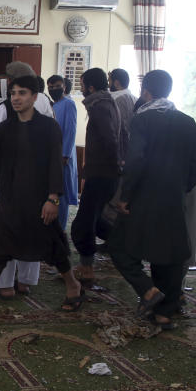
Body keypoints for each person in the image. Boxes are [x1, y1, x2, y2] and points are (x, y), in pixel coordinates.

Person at [0, 75, 84, 315]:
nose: (16, 98)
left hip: (39, 200)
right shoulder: (8, 126)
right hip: (11, 198)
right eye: (13, 94)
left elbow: (54, 164)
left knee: (53, 246)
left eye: (22, 93)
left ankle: (73, 286)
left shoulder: (49, 127)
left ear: (34, 97)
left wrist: (53, 198)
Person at [108, 70, 196, 329]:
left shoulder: (143, 119)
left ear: (146, 92)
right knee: (169, 251)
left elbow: (136, 160)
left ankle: (148, 291)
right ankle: (164, 313)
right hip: (173, 197)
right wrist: (182, 186)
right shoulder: (187, 121)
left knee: (118, 245)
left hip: (143, 196)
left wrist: (126, 196)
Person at [0, 61, 55, 297]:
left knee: (2, 228)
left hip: (9, 179)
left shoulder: (7, 106)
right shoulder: (44, 101)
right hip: (39, 180)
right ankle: (25, 281)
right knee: (33, 226)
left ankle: (4, 285)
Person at [71, 67, 121, 286]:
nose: (81, 90)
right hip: (106, 173)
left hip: (102, 173)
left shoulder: (100, 107)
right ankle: (127, 247)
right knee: (98, 221)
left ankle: (87, 267)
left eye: (82, 86)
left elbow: (110, 139)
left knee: (83, 223)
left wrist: (114, 163)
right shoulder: (106, 103)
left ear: (90, 87)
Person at [48, 75, 78, 231]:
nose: (54, 90)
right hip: (53, 156)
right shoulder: (52, 105)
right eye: (50, 87)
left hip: (64, 157)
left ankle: (60, 229)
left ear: (64, 87)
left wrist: (65, 155)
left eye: (57, 86)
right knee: (54, 192)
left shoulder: (69, 104)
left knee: (62, 194)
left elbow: (70, 131)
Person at [108, 68, 136, 162]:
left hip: (120, 152)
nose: (108, 84)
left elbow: (118, 129)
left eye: (109, 81)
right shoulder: (134, 98)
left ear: (116, 83)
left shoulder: (117, 100)